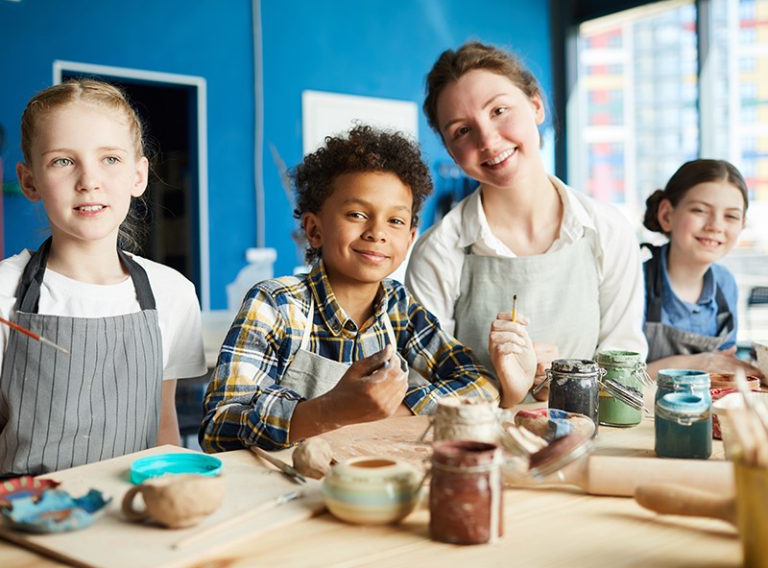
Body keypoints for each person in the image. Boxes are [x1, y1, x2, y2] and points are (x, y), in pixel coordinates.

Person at [200, 125, 535, 452]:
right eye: (357, 214)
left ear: (410, 239)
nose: (377, 232)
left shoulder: (401, 309)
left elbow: (480, 383)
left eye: (396, 220)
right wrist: (331, 411)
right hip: (285, 489)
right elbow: (219, 424)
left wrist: (390, 409)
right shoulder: (276, 304)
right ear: (314, 230)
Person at [406, 41, 647, 398]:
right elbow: (421, 387)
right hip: (476, 448)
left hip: (589, 444)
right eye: (461, 130)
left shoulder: (607, 231)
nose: (488, 139)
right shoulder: (438, 252)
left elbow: (625, 369)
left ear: (536, 105)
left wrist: (563, 382)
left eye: (499, 110)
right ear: (450, 149)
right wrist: (506, 390)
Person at [0, 79, 206, 477]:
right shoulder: (4, 292)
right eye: (63, 160)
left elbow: (165, 432)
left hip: (133, 517)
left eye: (110, 159)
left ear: (138, 175)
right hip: (24, 521)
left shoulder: (172, 293)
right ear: (29, 181)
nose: (88, 180)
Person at [642, 159, 758, 377]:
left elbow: (723, 365)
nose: (715, 226)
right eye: (700, 210)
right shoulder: (636, 281)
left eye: (731, 216)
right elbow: (613, 377)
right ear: (667, 215)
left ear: (742, 225)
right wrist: (701, 362)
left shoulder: (725, 284)